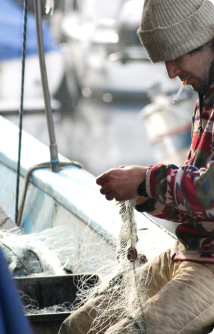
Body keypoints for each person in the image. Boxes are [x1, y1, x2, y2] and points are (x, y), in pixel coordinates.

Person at [59, 0, 214, 333]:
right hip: (188, 250)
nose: (172, 73)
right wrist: (143, 198)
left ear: (206, 41)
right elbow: (196, 205)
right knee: (76, 327)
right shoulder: (205, 96)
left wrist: (144, 181)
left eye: (176, 58)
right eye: (165, 62)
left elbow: (209, 193)